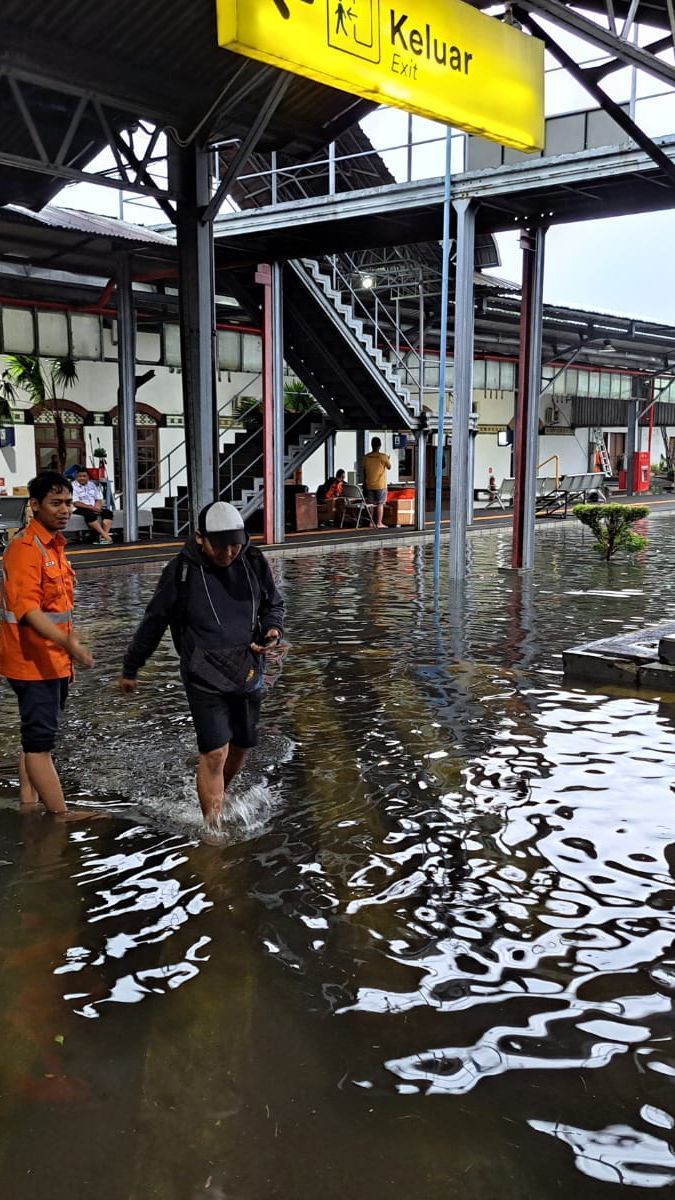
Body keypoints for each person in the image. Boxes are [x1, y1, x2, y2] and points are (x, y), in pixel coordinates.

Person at [118, 500, 285, 828]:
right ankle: (213, 830)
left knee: (241, 745)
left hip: (247, 670)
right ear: (199, 538)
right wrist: (131, 667)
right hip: (202, 674)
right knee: (215, 752)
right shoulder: (180, 572)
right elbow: (154, 622)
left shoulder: (252, 559)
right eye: (220, 548)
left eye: (235, 546)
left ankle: (219, 793)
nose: (228, 555)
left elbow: (273, 604)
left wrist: (272, 630)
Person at [0, 471, 94, 816]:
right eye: (56, 503)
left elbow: (56, 610)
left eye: (68, 502)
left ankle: (29, 801)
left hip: (51, 661)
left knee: (35, 739)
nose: (65, 510)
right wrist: (69, 643)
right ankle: (61, 816)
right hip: (32, 662)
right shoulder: (26, 549)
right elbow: (28, 611)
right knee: (41, 745)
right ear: (35, 505)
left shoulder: (54, 547)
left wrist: (65, 652)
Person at [71, 466, 113, 544]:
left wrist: (97, 507)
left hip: (93, 507)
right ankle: (106, 536)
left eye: (84, 476)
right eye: (80, 476)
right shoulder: (72, 486)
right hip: (79, 508)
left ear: (88, 477)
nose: (82, 478)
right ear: (76, 477)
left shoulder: (92, 485)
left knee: (108, 512)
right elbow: (76, 503)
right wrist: (91, 508)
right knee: (89, 514)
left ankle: (103, 537)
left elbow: (98, 498)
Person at [362, 436, 391, 528]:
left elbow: (364, 470)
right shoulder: (383, 457)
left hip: (369, 484)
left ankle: (371, 522)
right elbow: (389, 467)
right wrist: (388, 459)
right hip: (380, 485)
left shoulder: (366, 457)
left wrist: (365, 483)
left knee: (371, 503)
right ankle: (379, 523)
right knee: (380, 503)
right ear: (379, 446)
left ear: (371, 445)